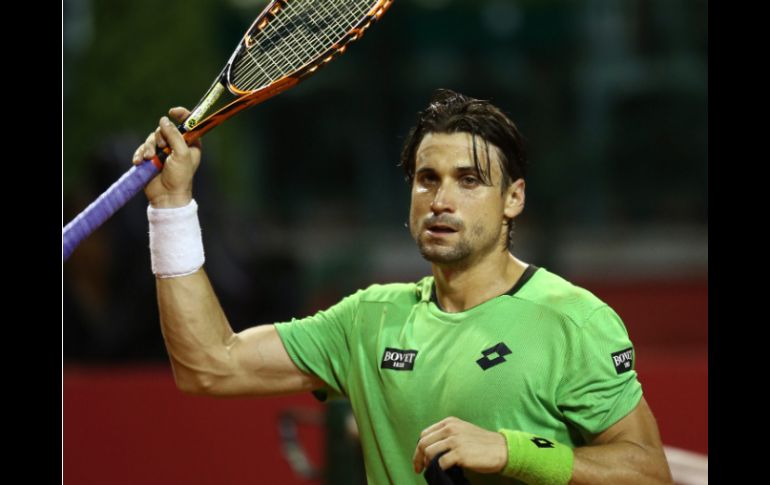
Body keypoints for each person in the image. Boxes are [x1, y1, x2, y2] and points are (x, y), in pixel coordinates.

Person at [133, 89, 673, 485]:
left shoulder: (573, 320)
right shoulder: (368, 319)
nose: (441, 199)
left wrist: (513, 451)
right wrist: (170, 208)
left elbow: (648, 472)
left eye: (469, 181)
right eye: (426, 178)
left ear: (514, 199)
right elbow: (209, 365)